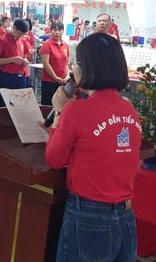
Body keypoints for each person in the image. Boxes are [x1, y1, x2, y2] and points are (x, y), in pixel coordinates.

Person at [45, 32, 142, 262]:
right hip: (125, 214)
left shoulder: (75, 110)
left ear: (88, 67)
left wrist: (59, 111)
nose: (73, 69)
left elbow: (54, 159)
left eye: (76, 63)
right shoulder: (129, 109)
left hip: (88, 215)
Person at [0, 18, 31, 107]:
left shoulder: (21, 40)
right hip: (8, 77)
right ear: (14, 28)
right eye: (19, 33)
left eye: (22, 34)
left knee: (20, 105)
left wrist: (26, 61)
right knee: (6, 104)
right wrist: (12, 59)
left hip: (21, 76)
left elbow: (26, 56)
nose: (20, 36)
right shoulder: (2, 40)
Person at [39, 21, 70, 106]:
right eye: (54, 30)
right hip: (49, 81)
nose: (57, 32)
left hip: (63, 81)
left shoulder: (65, 45)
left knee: (62, 105)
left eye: (59, 30)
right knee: (48, 105)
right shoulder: (47, 44)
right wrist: (55, 78)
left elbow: (66, 63)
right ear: (51, 31)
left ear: (63, 31)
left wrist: (67, 76)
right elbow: (46, 64)